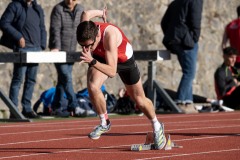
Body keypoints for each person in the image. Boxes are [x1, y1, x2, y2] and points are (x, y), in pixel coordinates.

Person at [76, 8, 166, 150]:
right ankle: (104, 122)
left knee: (139, 99)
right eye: (82, 46)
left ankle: (157, 125)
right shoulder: (86, 28)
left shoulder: (109, 36)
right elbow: (85, 13)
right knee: (93, 86)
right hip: (103, 57)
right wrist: (101, 12)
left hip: (124, 60)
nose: (86, 49)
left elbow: (112, 71)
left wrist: (92, 61)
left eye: (89, 45)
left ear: (97, 35)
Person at [0, 0, 47, 118]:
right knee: (18, 80)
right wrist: (18, 36)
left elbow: (42, 27)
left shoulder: (37, 8)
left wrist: (42, 45)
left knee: (31, 80)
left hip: (36, 50)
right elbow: (4, 23)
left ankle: (27, 108)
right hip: (22, 50)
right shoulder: (15, 5)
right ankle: (14, 110)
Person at [161, 0, 203, 113]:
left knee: (187, 71)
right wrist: (194, 38)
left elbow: (164, 22)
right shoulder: (195, 1)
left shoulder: (176, 2)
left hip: (175, 40)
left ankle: (188, 102)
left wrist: (172, 34)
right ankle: (180, 101)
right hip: (186, 41)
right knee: (189, 72)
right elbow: (196, 20)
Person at [48, 0, 85, 117]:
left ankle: (55, 107)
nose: (70, 1)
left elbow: (83, 29)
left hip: (71, 52)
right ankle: (74, 106)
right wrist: (55, 47)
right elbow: (55, 29)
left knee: (62, 81)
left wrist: (85, 45)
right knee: (66, 78)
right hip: (59, 51)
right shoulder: (58, 9)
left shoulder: (80, 9)